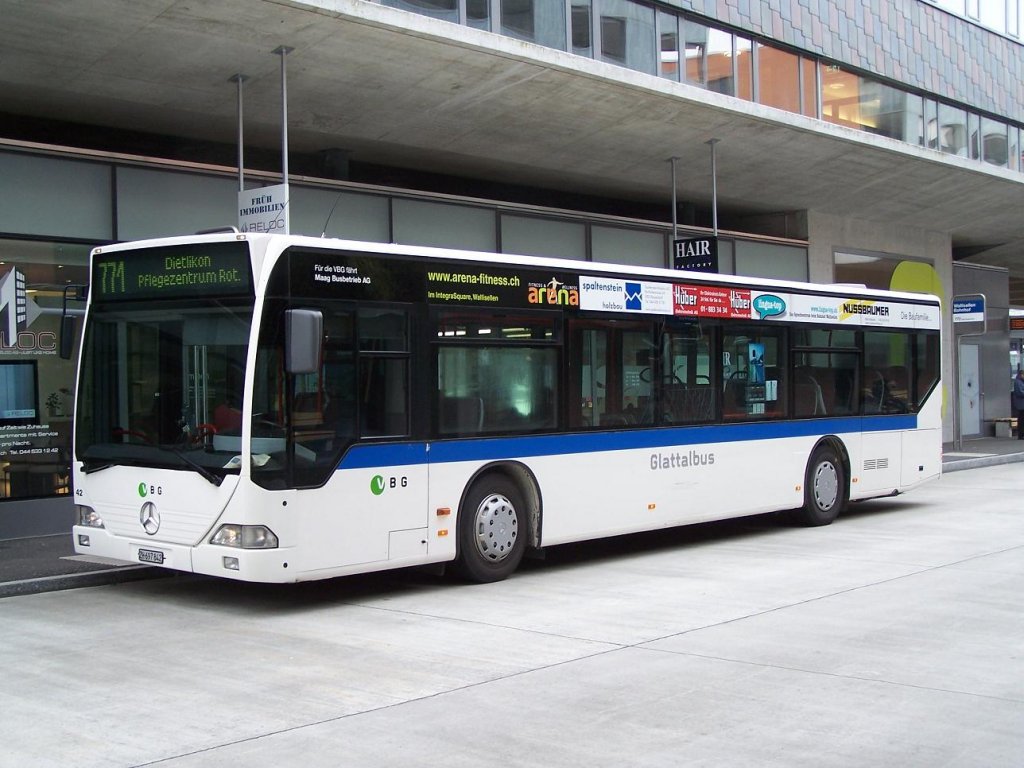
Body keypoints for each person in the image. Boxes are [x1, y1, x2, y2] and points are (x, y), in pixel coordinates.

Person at [1013, 370, 1024, 440]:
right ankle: (1021, 435)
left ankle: (1022, 434)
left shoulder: (1021, 382)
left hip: (1022, 404)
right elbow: (1020, 392)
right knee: (1022, 420)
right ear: (1021, 375)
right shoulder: (1018, 382)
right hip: (1021, 404)